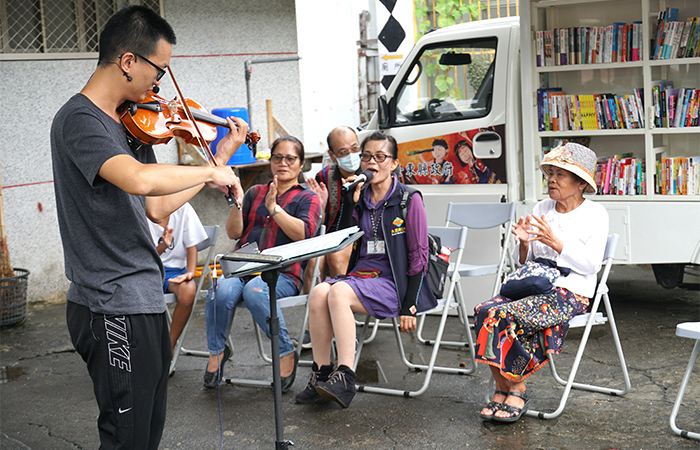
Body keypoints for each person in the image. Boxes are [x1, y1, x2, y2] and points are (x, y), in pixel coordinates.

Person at [50, 6, 247, 448]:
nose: (160, 85)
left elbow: (156, 208)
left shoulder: (128, 126)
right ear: (128, 61)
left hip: (141, 296)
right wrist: (207, 174)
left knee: (146, 432)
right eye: (159, 70)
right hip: (109, 303)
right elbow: (137, 179)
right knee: (127, 438)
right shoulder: (82, 121)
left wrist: (220, 158)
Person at [295, 131, 436, 408]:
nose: (372, 162)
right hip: (362, 276)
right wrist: (349, 201)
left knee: (338, 294)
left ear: (394, 163)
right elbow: (340, 239)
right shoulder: (361, 196)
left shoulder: (408, 199)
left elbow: (419, 255)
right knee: (320, 292)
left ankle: (345, 375)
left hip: (394, 282)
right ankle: (322, 374)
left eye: (380, 157)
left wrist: (409, 306)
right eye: (367, 156)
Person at [473, 142, 608, 423]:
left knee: (504, 316)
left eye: (561, 174)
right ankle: (502, 386)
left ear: (581, 182)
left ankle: (517, 387)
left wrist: (558, 244)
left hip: (571, 291)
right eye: (550, 173)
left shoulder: (595, 214)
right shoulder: (543, 207)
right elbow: (525, 262)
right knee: (484, 310)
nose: (552, 180)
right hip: (533, 285)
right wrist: (523, 243)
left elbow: (592, 265)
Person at [204, 136, 322, 391]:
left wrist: (275, 209)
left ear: (301, 164)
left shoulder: (307, 198)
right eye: (277, 157)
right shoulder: (255, 192)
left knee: (256, 291)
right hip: (243, 266)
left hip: (283, 273)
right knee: (219, 291)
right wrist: (236, 203)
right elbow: (235, 233)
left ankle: (284, 350)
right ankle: (217, 351)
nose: (283, 163)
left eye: (290, 158)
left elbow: (304, 234)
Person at [304, 126, 363, 287]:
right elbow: (320, 220)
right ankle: (313, 307)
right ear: (332, 155)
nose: (351, 155)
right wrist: (319, 206)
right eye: (343, 152)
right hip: (331, 236)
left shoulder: (370, 174)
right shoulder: (324, 176)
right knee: (313, 260)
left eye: (355, 148)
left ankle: (342, 302)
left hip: (363, 237)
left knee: (335, 256)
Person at [148, 202, 208, 352]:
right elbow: (143, 258)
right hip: (147, 269)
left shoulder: (183, 207)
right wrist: (163, 246)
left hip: (174, 272)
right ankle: (145, 349)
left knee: (189, 289)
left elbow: (191, 245)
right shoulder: (141, 208)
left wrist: (190, 272)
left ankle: (169, 346)